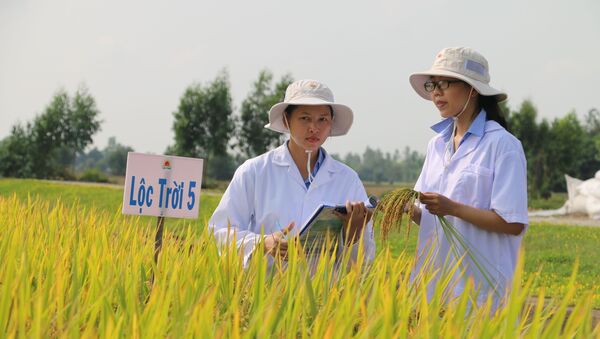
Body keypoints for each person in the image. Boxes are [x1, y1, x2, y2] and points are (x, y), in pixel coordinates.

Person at [209, 79, 375, 268]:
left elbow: (365, 259)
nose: (314, 128)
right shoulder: (254, 171)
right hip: (265, 292)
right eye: (304, 118)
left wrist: (353, 235)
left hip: (323, 295)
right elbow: (219, 232)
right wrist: (262, 243)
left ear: (331, 124)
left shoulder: (347, 179)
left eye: (323, 119)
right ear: (287, 121)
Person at [408, 47, 528, 308]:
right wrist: (410, 209)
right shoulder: (437, 144)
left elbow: (513, 223)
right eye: (432, 85)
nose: (436, 92)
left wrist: (453, 208)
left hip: (482, 289)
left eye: (444, 83)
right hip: (436, 283)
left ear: (472, 90)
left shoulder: (502, 145)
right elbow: (432, 217)